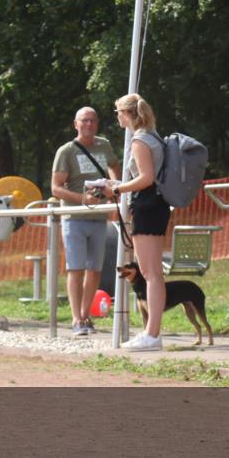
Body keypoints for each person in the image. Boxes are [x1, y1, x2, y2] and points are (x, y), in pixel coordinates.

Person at [102, 93, 171, 351]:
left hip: (147, 205)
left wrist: (117, 189)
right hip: (156, 205)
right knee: (153, 273)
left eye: (119, 112)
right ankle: (152, 332)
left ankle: (152, 334)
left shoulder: (140, 140)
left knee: (151, 273)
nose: (117, 116)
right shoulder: (154, 137)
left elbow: (146, 178)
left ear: (128, 114)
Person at [51, 106, 120, 336]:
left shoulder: (104, 145)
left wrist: (113, 185)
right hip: (75, 218)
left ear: (97, 124)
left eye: (92, 121)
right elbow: (56, 188)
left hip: (100, 217)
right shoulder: (66, 151)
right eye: (84, 121)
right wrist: (82, 199)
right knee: (76, 268)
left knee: (95, 269)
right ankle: (76, 318)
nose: (89, 124)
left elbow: (113, 166)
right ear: (76, 124)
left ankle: (86, 314)